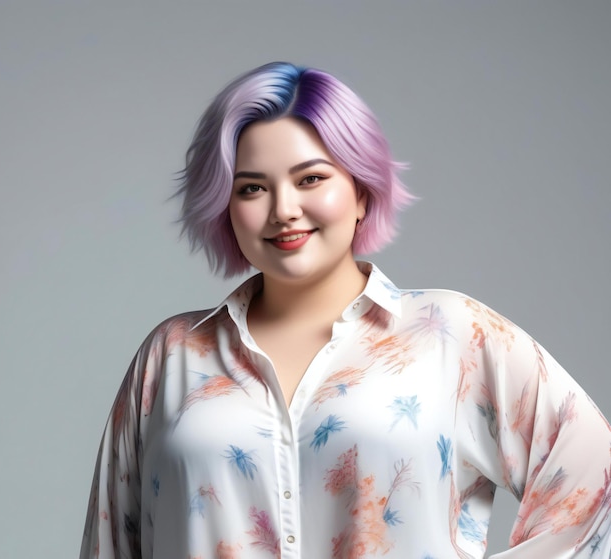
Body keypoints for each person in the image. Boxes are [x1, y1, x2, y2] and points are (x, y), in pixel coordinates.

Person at [80, 62, 611, 559]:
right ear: (225, 206)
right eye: (252, 187)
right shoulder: (172, 355)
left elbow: (596, 486)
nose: (284, 209)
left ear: (361, 191)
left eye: (310, 178)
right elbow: (111, 541)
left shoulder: (454, 336)